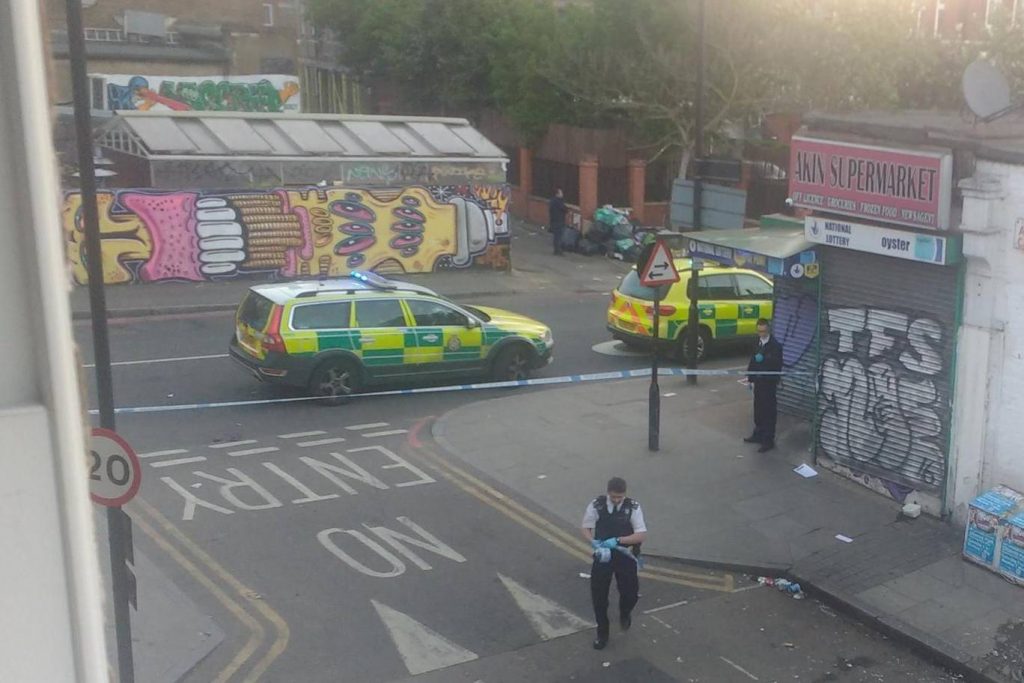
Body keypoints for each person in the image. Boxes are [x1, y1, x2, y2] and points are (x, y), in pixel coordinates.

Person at [581, 477, 647, 650]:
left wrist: (619, 540)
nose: (617, 500)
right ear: (608, 493)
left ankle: (625, 612)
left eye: (620, 497)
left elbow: (641, 535)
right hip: (603, 555)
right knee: (599, 596)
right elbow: (585, 527)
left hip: (625, 556)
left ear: (625, 494)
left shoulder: (633, 507)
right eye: (613, 497)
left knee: (630, 593)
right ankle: (602, 633)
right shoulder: (597, 505)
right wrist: (592, 541)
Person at [745, 318, 783, 453]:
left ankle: (768, 440)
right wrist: (750, 378)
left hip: (769, 383)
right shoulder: (758, 343)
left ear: (768, 330)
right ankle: (758, 434)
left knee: (769, 411)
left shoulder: (775, 346)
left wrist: (765, 358)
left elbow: (777, 364)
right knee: (758, 410)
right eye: (759, 331)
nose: (761, 334)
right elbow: (753, 361)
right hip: (759, 382)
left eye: (764, 331)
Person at [549, 188, 567, 255]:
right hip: (559, 220)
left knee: (556, 236)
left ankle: (556, 250)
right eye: (561, 193)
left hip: (554, 220)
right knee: (559, 236)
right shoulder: (559, 201)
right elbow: (564, 209)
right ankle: (558, 250)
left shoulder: (552, 201)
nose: (562, 194)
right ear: (557, 194)